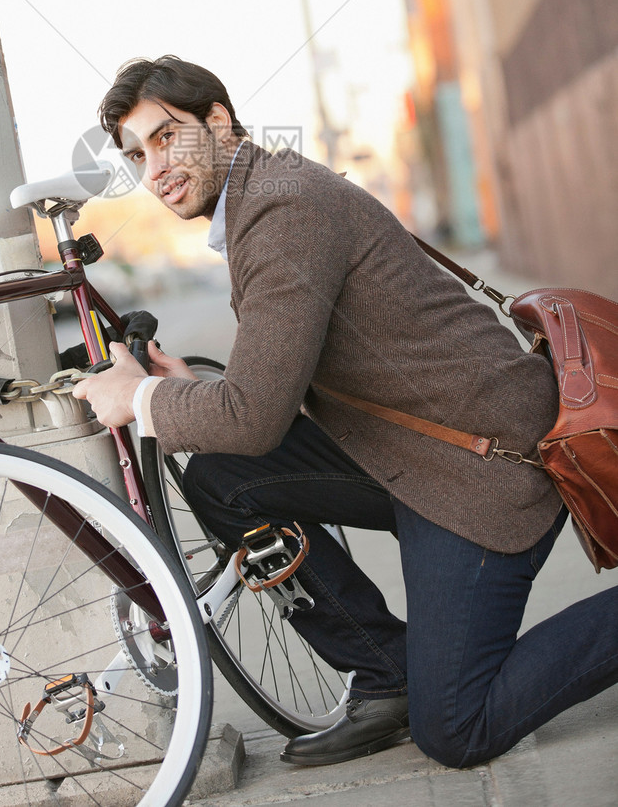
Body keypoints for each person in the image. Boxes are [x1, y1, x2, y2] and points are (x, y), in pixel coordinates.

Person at [72, 55, 618, 770]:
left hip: (481, 464)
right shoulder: (270, 189)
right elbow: (287, 368)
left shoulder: (281, 208)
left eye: (168, 137)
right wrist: (182, 389)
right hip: (409, 446)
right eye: (138, 154)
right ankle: (385, 675)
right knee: (223, 476)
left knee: (456, 726)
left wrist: (137, 397)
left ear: (218, 119)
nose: (156, 168)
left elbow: (253, 417)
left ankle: (417, 691)